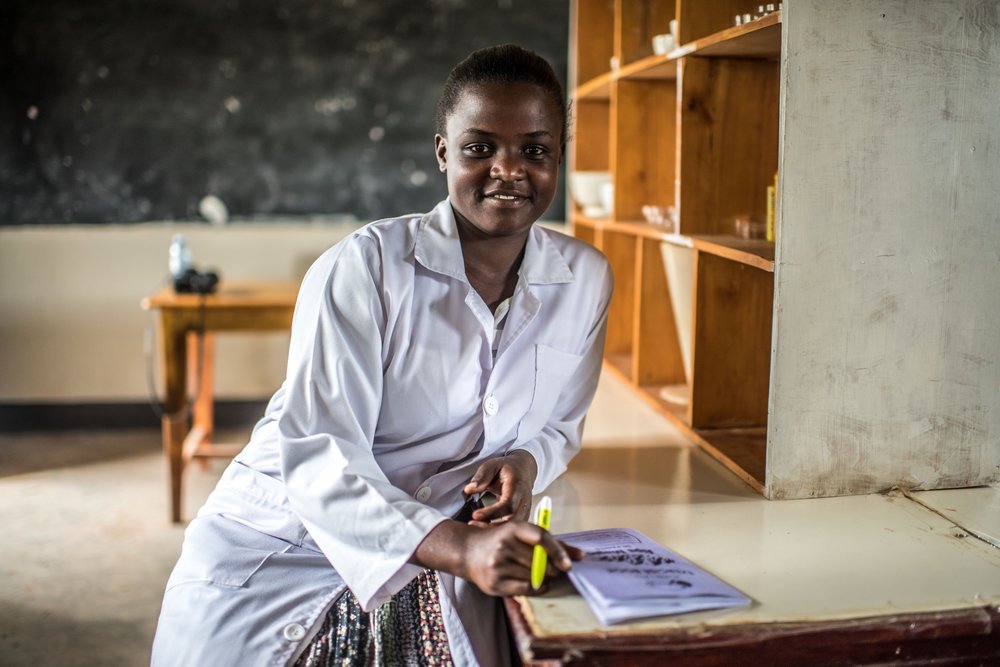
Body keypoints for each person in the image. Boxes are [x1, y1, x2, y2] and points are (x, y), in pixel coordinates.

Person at [151, 43, 612, 667]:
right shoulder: (365, 267)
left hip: (441, 543)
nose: (509, 169)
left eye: (535, 149)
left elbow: (561, 424)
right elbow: (319, 457)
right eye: (480, 147)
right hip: (292, 548)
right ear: (444, 152)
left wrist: (528, 460)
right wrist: (460, 548)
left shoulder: (584, 278)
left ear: (559, 156)